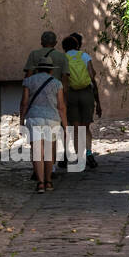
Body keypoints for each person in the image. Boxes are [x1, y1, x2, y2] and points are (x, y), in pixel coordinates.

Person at [20, 55, 68, 193]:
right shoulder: (57, 83)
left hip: (34, 118)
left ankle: (40, 184)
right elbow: (61, 106)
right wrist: (65, 126)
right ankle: (49, 182)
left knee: (37, 152)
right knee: (48, 152)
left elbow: (24, 102)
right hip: (52, 119)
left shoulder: (28, 81)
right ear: (51, 70)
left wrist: (21, 121)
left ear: (37, 69)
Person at [62, 33, 102, 168]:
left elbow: (64, 81)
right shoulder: (84, 56)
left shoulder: (64, 58)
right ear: (78, 46)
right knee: (86, 126)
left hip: (71, 94)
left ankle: (79, 157)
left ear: (64, 48)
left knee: (76, 127)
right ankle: (89, 153)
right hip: (86, 93)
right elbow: (92, 75)